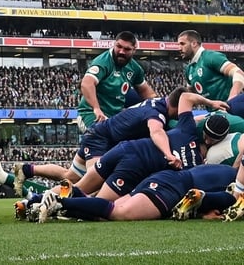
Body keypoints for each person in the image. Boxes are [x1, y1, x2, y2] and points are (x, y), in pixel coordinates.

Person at [36, 102, 230, 223]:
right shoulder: (173, 125)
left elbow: (185, 97)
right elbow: (161, 125)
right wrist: (168, 154)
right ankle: (60, 203)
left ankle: (34, 201)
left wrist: (208, 105)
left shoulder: (184, 128)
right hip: (139, 165)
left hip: (126, 148)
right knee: (107, 209)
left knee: (79, 186)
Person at [14, 87, 216, 192]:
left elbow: (180, 123)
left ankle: (27, 170)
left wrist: (208, 117)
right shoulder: (157, 114)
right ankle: (45, 201)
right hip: (101, 140)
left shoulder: (156, 103)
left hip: (99, 135)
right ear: (177, 105)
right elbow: (156, 132)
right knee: (91, 185)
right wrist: (168, 154)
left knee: (71, 176)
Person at [47, 164, 238, 222]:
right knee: (118, 213)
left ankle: (68, 195)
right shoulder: (237, 183)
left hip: (163, 176)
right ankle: (60, 202)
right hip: (175, 188)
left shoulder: (226, 169)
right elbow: (233, 200)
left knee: (105, 212)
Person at [77, 31, 156, 131]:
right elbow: (86, 83)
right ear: (114, 44)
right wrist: (96, 109)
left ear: (134, 50)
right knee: (103, 134)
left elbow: (145, 91)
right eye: (119, 46)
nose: (121, 51)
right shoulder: (103, 62)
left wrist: (160, 105)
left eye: (127, 49)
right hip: (91, 114)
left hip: (115, 117)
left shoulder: (135, 68)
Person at [177, 30, 244, 107]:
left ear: (194, 43)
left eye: (182, 44)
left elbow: (239, 73)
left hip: (229, 108)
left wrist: (232, 98)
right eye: (178, 45)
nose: (179, 48)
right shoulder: (189, 70)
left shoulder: (210, 57)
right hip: (213, 111)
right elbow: (191, 96)